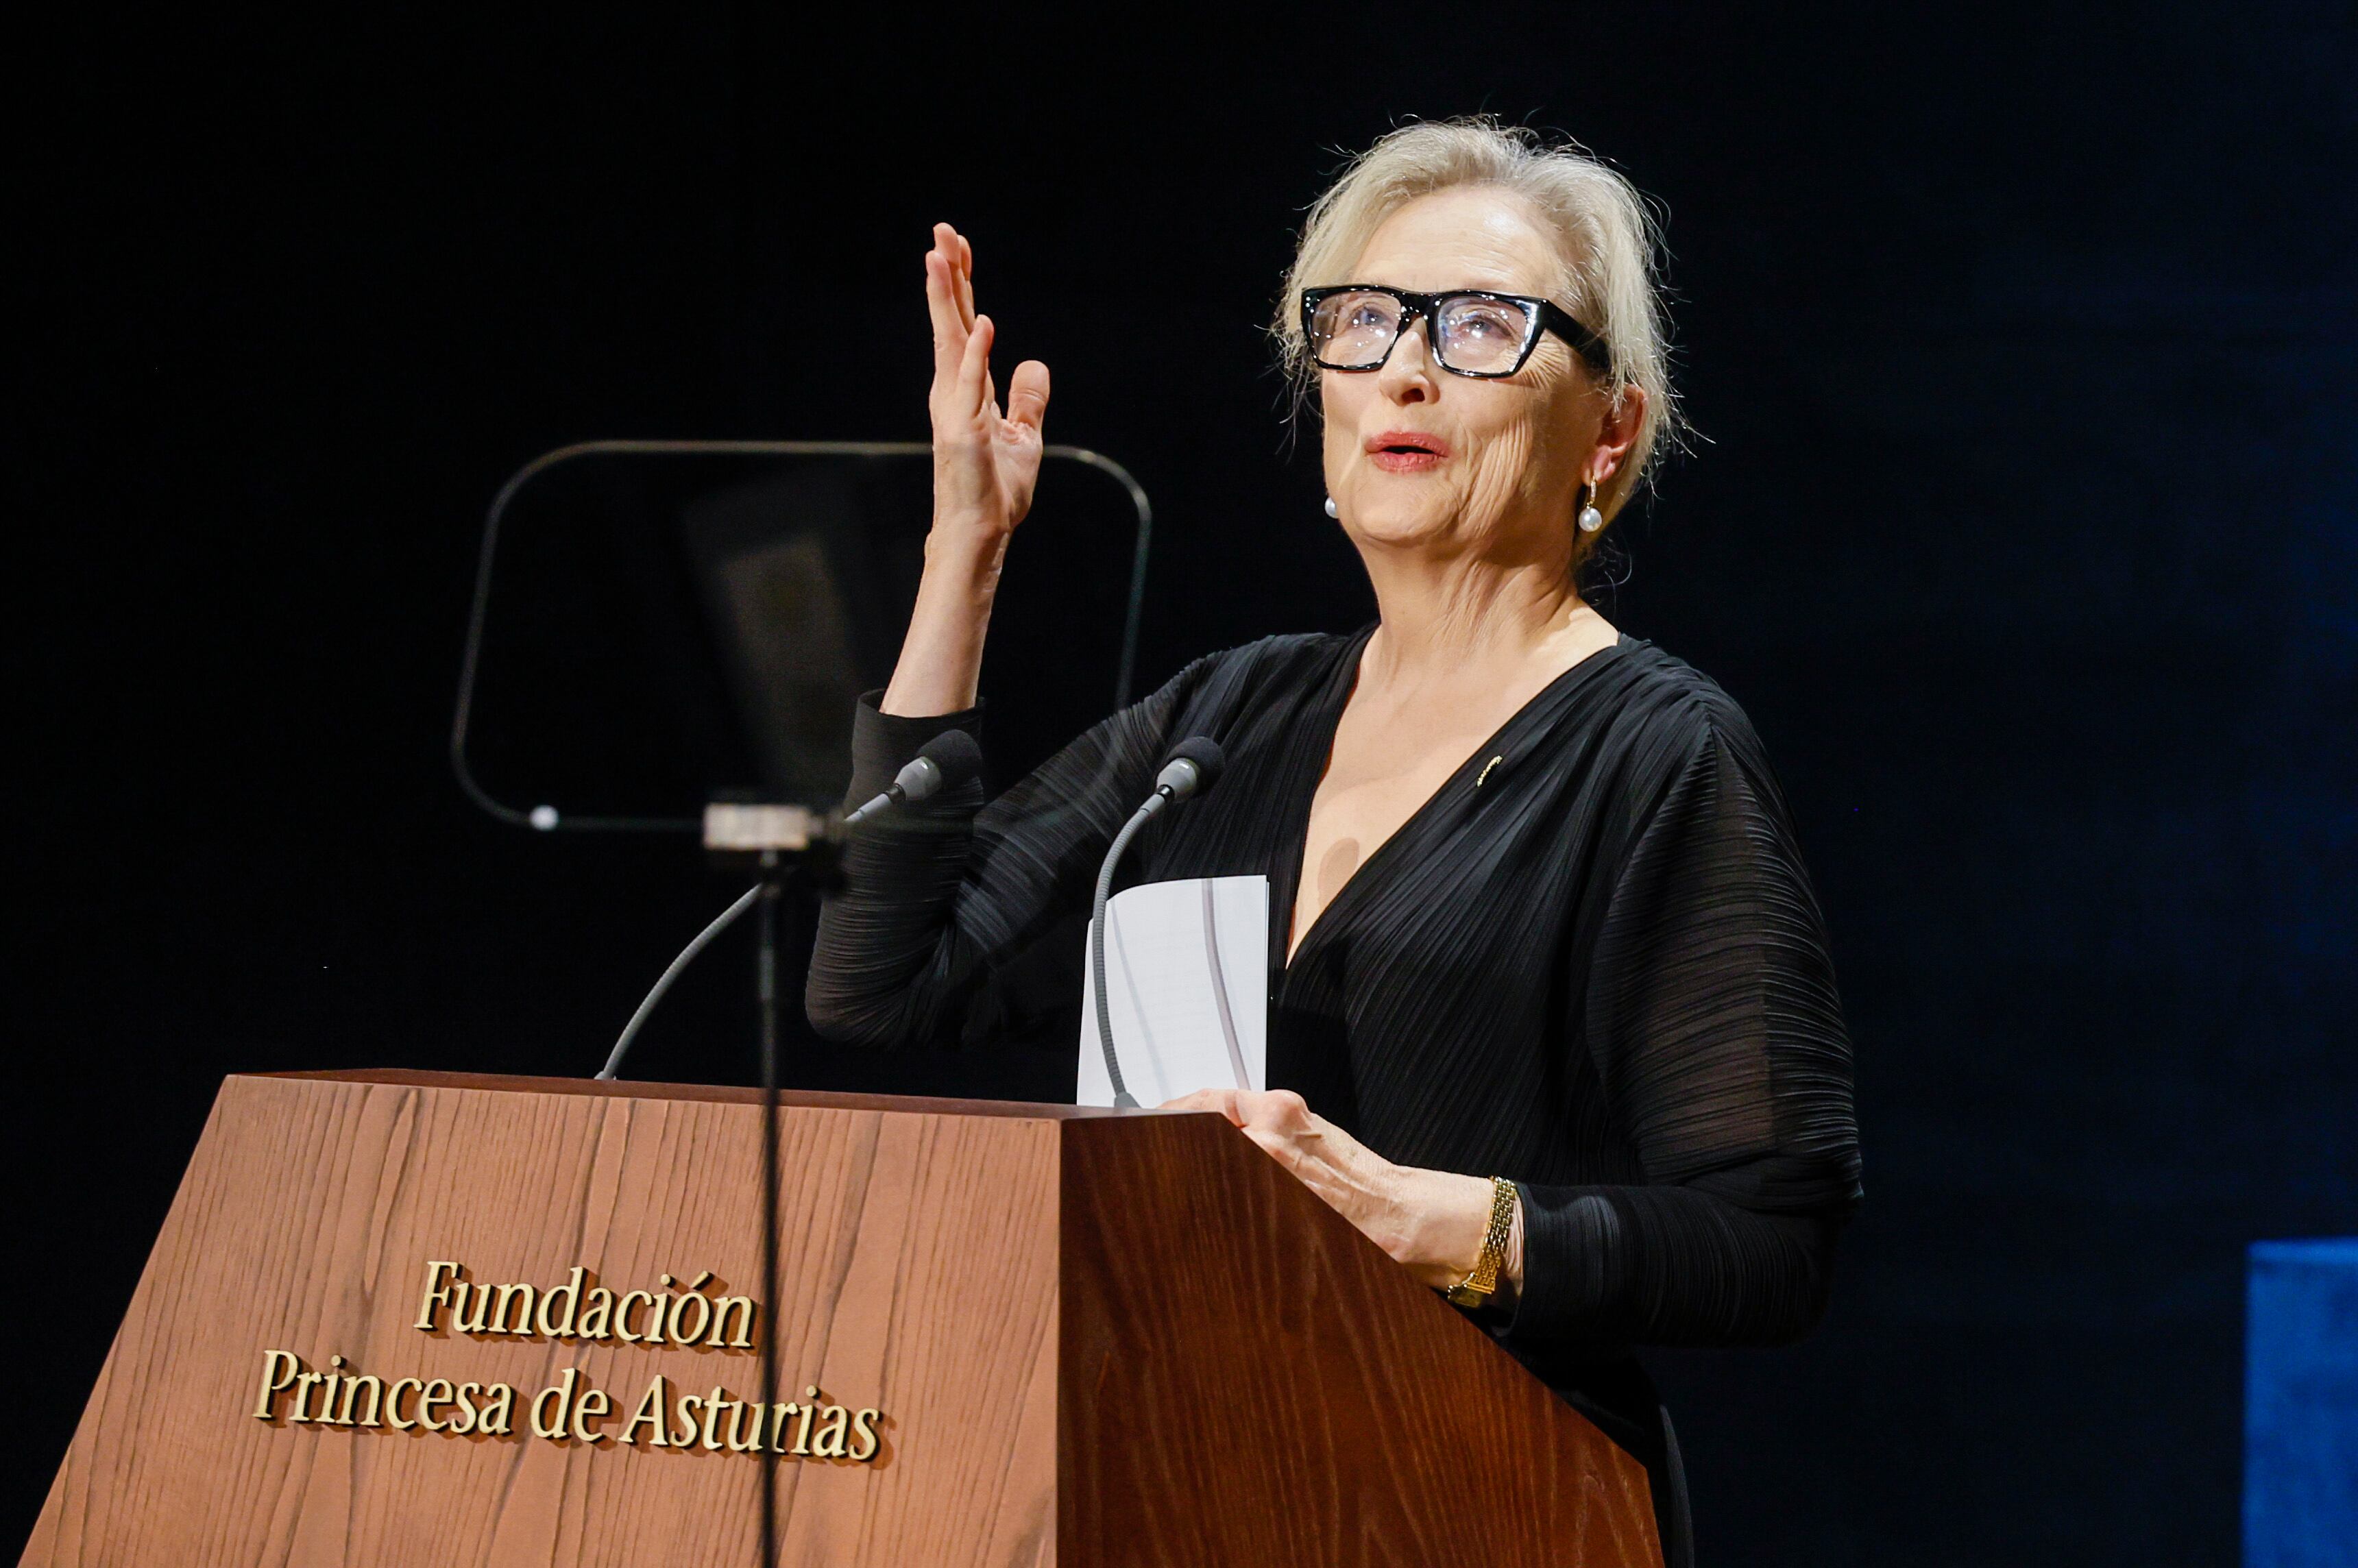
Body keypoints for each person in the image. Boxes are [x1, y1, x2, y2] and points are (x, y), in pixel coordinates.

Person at [805, 119, 1861, 1565]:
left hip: (1473, 1499)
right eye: (1362, 323)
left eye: (1482, 325)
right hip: (1161, 1474)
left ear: (1610, 428)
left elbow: (1770, 1241)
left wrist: (1437, 1226)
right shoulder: (1227, 714)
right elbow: (881, 976)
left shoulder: (1654, 753)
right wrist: (964, 554)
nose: (1405, 369)